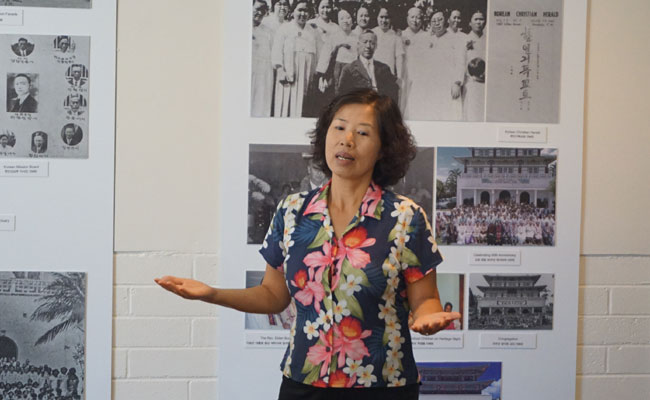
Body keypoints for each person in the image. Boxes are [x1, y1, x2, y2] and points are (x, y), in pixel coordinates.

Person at [156, 89, 460, 398]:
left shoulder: (406, 217)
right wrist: (211, 294)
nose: (347, 140)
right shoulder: (291, 211)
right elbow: (273, 295)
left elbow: (425, 299)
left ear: (383, 148)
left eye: (363, 132)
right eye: (339, 127)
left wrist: (429, 316)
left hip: (383, 384)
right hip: (303, 382)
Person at [271, 1, 319, 117]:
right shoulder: (284, 28)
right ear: (293, 12)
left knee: (303, 107)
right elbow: (277, 51)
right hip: (288, 75)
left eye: (306, 11)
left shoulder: (313, 31)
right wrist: (280, 69)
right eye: (300, 10)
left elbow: (319, 54)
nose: (303, 13)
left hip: (306, 76)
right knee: (286, 105)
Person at [337, 30, 399, 104]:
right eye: (365, 42)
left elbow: (393, 93)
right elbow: (342, 96)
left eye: (372, 43)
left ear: (376, 46)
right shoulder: (349, 69)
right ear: (358, 45)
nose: (368, 46)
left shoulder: (384, 68)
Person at [462, 10, 486, 122]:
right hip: (470, 83)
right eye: (476, 19)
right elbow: (461, 62)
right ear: (470, 23)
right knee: (471, 114)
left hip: (485, 82)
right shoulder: (464, 39)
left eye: (481, 19)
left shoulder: (488, 40)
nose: (478, 22)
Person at [252, 0, 275, 117]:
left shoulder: (269, 32)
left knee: (261, 104)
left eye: (263, 10)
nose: (260, 13)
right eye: (257, 9)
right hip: (249, 71)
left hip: (264, 73)